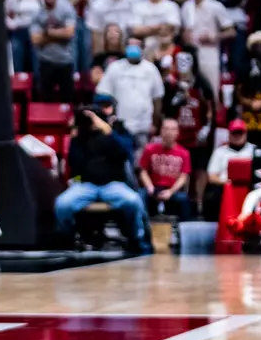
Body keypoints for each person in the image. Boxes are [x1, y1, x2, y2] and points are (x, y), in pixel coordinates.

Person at [54, 98, 149, 254]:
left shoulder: (117, 131)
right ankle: (67, 240)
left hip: (113, 185)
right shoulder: (79, 138)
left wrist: (107, 131)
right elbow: (75, 165)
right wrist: (75, 137)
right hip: (86, 185)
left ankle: (137, 240)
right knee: (62, 204)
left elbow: (125, 153)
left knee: (134, 201)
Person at [139, 117, 193, 220]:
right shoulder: (150, 149)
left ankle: (185, 230)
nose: (169, 132)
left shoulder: (184, 153)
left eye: (173, 129)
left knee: (184, 199)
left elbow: (183, 176)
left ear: (177, 132)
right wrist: (150, 187)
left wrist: (171, 191)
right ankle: (141, 230)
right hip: (153, 187)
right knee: (140, 196)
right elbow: (143, 171)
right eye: (166, 129)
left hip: (172, 190)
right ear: (161, 131)